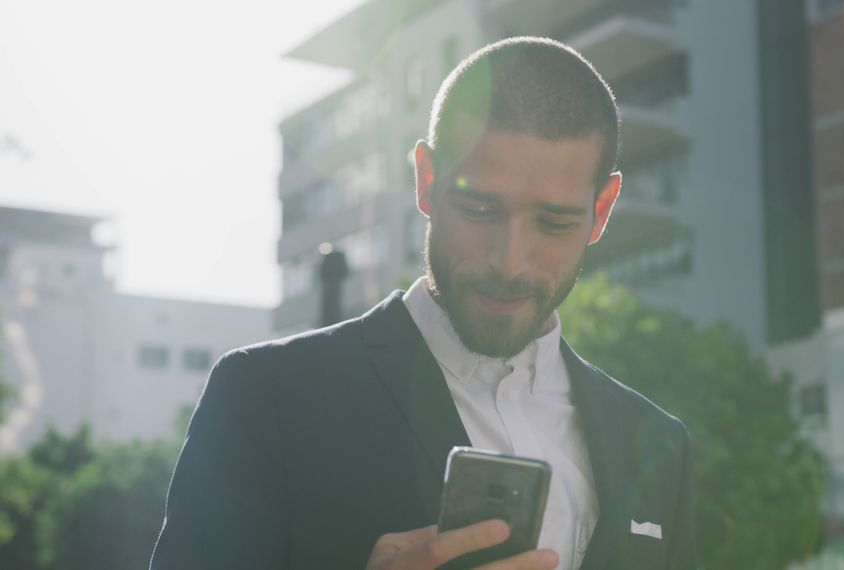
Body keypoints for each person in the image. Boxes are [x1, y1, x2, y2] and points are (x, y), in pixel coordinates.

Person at [150, 36, 696, 570]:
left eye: (554, 222)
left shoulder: (656, 444)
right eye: (480, 209)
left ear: (602, 210)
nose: (509, 263)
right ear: (427, 181)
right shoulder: (266, 395)